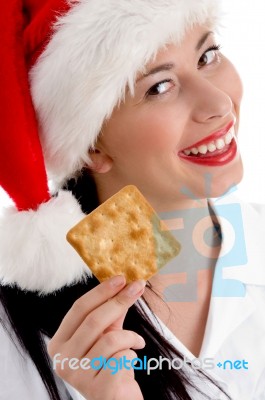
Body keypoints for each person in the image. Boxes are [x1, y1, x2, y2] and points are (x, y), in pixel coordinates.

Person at [0, 0, 265, 399]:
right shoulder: (13, 334)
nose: (219, 104)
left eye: (207, 55)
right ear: (92, 148)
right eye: (159, 86)